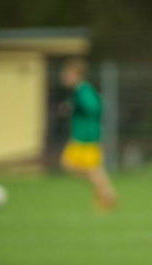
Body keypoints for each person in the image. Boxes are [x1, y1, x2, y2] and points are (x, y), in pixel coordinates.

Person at [58, 58, 117, 212]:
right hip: (81, 136)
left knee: (89, 169)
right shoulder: (79, 91)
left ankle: (107, 195)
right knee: (75, 166)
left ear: (77, 75)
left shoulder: (83, 89)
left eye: (67, 74)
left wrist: (75, 106)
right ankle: (105, 193)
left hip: (86, 136)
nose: (64, 76)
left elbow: (95, 106)